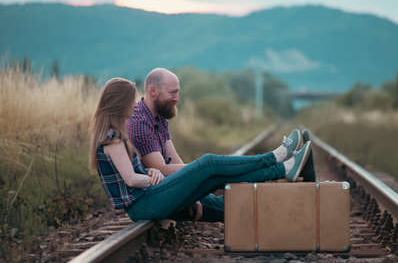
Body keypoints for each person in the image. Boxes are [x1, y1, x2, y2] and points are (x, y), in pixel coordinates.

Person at [90, 77, 313, 222]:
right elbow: (130, 180)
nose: (135, 105)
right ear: (119, 103)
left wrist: (151, 174)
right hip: (144, 204)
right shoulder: (112, 139)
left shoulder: (118, 136)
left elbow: (133, 175)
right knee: (209, 163)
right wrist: (152, 177)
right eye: (131, 101)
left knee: (213, 177)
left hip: (149, 198)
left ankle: (283, 177)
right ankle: (275, 158)